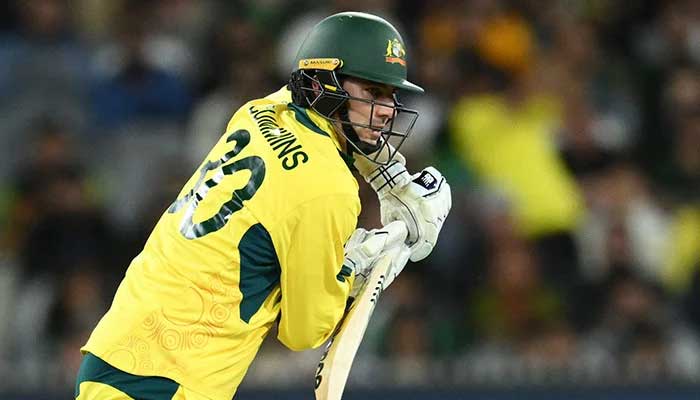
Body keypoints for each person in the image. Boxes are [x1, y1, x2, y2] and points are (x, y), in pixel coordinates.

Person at [74, 11, 451, 400]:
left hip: (119, 353)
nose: (388, 109)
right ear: (326, 85)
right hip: (169, 380)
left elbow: (321, 127)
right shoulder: (328, 190)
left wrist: (393, 179)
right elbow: (303, 332)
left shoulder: (261, 111)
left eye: (391, 94)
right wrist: (355, 264)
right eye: (373, 92)